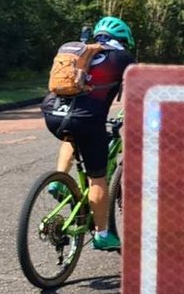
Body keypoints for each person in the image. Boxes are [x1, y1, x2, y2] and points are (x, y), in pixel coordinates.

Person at [42, 16, 135, 252]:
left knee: (72, 136)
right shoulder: (123, 58)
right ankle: (102, 234)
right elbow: (139, 93)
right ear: (125, 39)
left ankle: (59, 180)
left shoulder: (82, 52)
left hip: (53, 113)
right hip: (86, 118)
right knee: (98, 178)